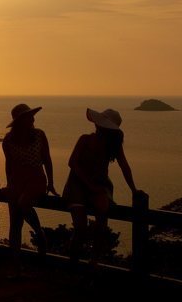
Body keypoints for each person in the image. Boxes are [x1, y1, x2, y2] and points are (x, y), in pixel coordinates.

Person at [62, 108, 142, 270]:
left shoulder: (113, 146)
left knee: (101, 221)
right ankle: (73, 263)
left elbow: (124, 166)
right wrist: (90, 185)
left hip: (99, 186)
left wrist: (134, 189)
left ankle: (93, 262)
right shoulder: (85, 140)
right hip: (78, 185)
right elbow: (73, 163)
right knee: (80, 227)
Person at [2, 103, 58, 277]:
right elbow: (9, 164)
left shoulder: (40, 135)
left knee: (23, 202)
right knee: (15, 224)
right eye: (29, 117)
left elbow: (47, 160)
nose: (33, 119)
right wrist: (9, 183)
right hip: (17, 181)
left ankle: (39, 233)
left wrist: (51, 183)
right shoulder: (8, 140)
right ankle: (16, 266)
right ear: (21, 121)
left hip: (36, 179)